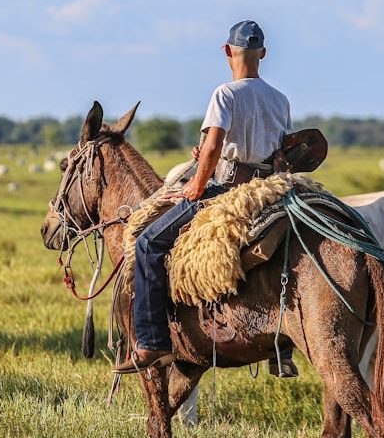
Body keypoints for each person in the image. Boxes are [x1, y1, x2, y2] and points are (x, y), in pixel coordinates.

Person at [115, 20, 297, 377]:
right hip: (268, 190)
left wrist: (197, 184)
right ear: (263, 54)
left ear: (228, 52)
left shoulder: (225, 94)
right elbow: (279, 153)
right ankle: (282, 347)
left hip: (228, 189)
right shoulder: (280, 99)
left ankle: (152, 342)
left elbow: (215, 146)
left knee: (148, 243)